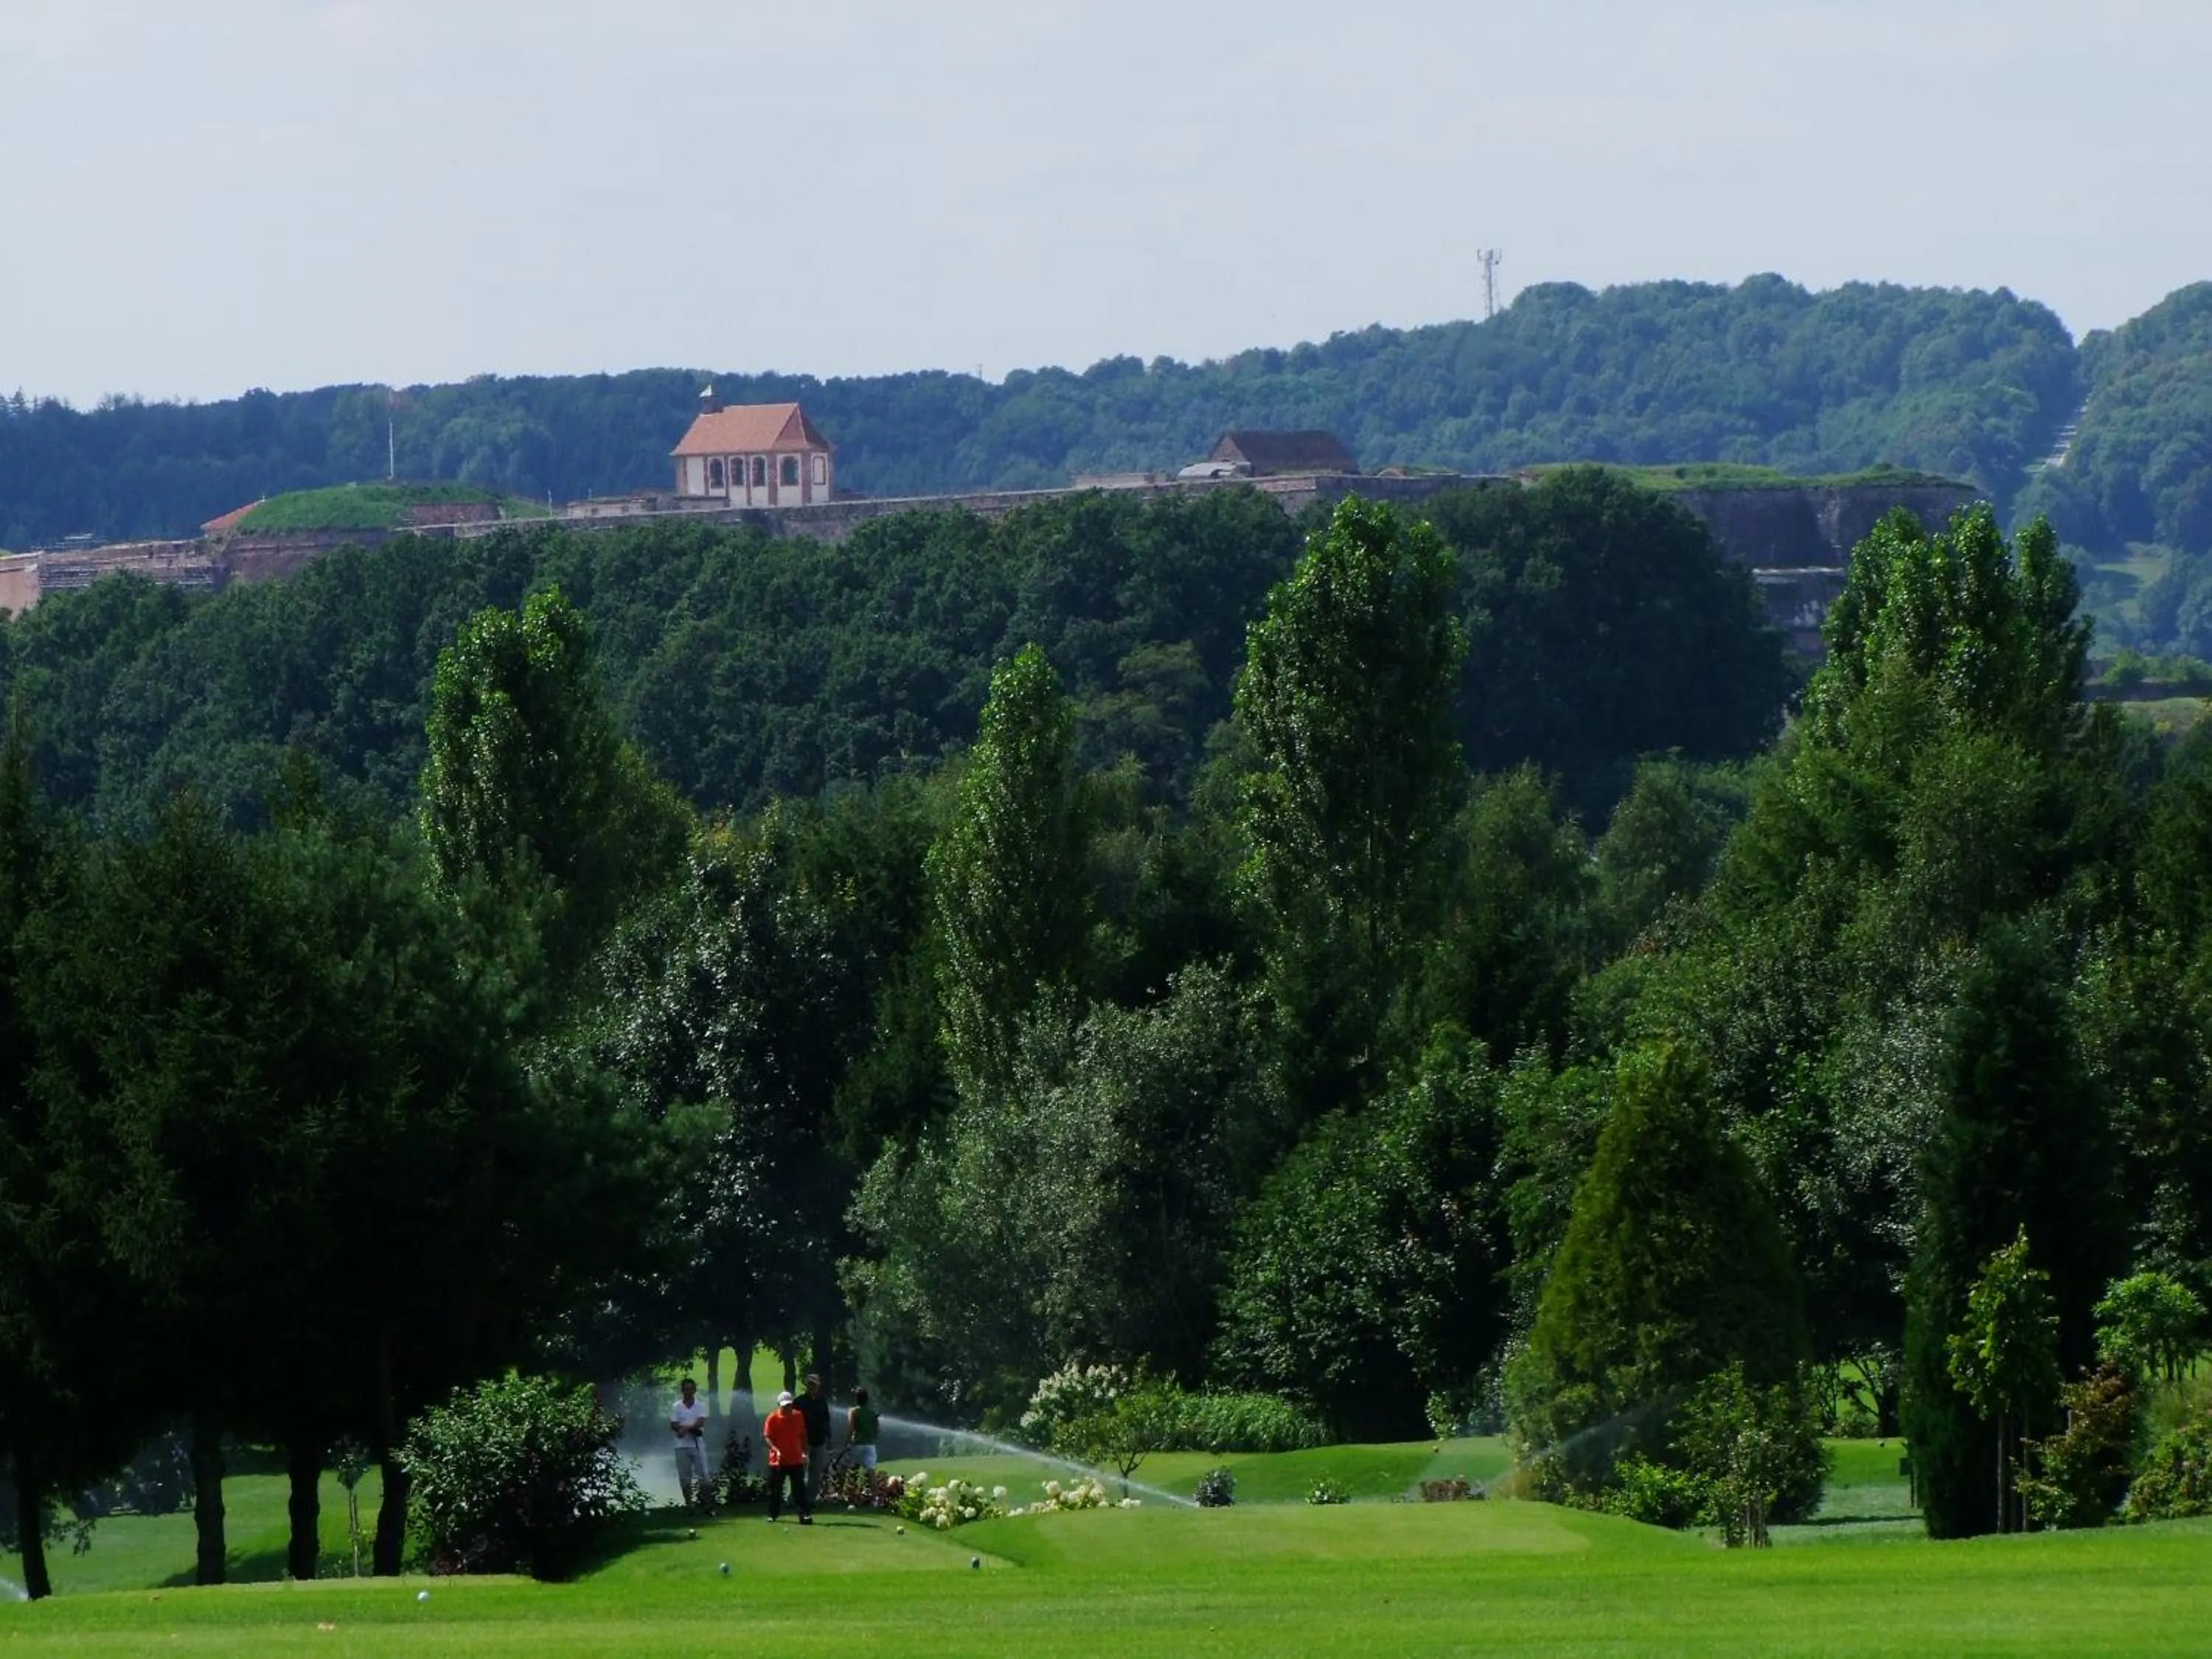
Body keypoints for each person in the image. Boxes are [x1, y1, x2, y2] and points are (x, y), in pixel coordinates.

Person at [763, 1388, 812, 1523]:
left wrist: (804, 1452)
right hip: (778, 1461)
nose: (788, 1408)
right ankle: (773, 1514)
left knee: (799, 1490)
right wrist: (776, 1450)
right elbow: (768, 1437)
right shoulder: (773, 1418)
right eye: (785, 1406)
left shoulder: (798, 1416)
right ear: (780, 1405)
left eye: (790, 1405)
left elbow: (803, 1435)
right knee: (775, 1490)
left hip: (795, 1459)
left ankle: (804, 1515)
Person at [669, 1377, 710, 1509]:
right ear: (682, 1391)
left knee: (703, 1475)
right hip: (681, 1447)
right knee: (685, 1478)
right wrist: (690, 1428)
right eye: (686, 1389)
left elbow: (700, 1422)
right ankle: (689, 1504)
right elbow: (674, 1424)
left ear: (695, 1390)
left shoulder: (700, 1405)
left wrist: (686, 1428)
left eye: (691, 1389)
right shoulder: (676, 1406)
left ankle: (706, 1503)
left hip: (697, 1445)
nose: (689, 1391)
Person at [799, 1372, 833, 1502]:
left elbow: (826, 1421)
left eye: (814, 1384)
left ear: (818, 1386)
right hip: (804, 1442)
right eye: (810, 1384)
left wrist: (829, 1438)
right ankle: (797, 1497)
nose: (812, 1387)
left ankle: (810, 1499)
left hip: (819, 1442)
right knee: (800, 1472)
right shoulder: (800, 1401)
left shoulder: (822, 1402)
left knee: (815, 1473)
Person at [846, 1386, 880, 1472]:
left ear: (856, 1399)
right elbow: (877, 1430)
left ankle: (848, 1485)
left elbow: (851, 1428)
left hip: (857, 1445)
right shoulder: (872, 1413)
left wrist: (846, 1443)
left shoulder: (853, 1411)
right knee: (871, 1472)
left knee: (852, 1471)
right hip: (870, 1445)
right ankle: (874, 1486)